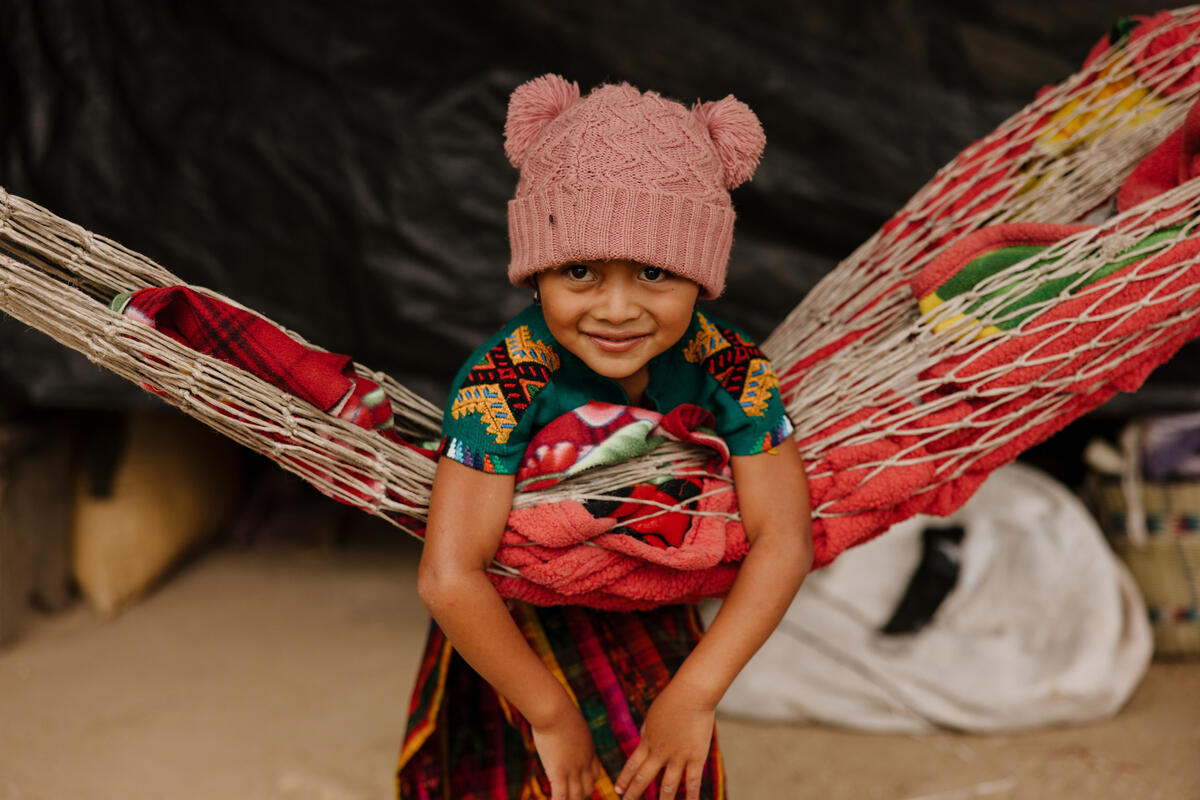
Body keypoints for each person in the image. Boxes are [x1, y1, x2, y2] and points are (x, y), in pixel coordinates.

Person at [398, 74, 812, 800]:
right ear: (535, 273)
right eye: (579, 271)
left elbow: (784, 537)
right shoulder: (502, 381)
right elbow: (451, 576)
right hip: (515, 632)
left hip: (653, 605)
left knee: (663, 774)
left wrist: (696, 695)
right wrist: (553, 716)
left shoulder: (734, 368)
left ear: (701, 276)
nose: (616, 310)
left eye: (655, 271)